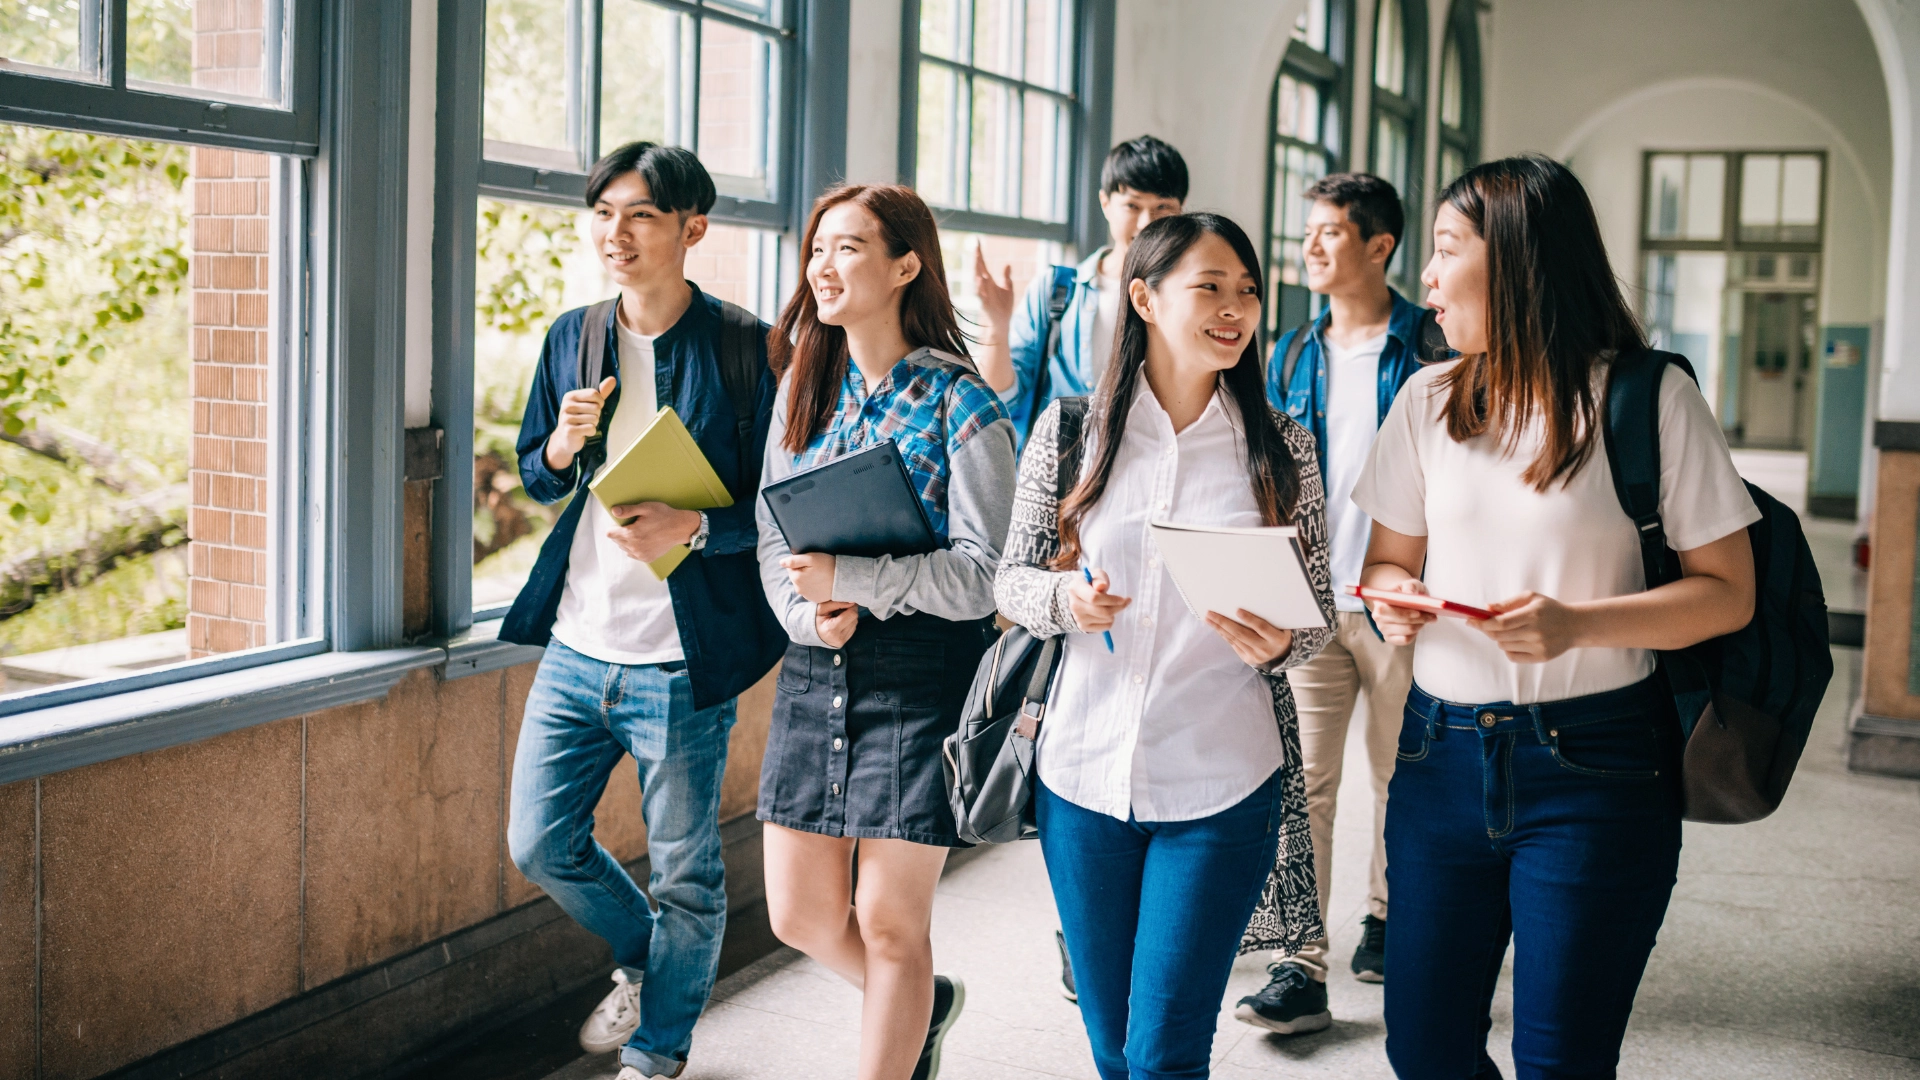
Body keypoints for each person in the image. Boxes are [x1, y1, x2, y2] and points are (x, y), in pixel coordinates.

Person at [1356, 155, 1759, 1078]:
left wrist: (1576, 624)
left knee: (1561, 1060)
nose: (1425, 274)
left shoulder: (1648, 397)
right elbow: (1386, 563)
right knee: (1424, 1049)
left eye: (1447, 248)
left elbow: (1727, 591)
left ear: (1518, 262)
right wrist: (1394, 603)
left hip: (1597, 765)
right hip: (1438, 756)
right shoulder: (1425, 401)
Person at [994, 212, 1334, 1080]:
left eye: (1248, 290)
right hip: (1081, 780)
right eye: (1210, 287)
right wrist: (1067, 599)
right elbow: (1011, 585)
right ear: (1144, 298)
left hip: (1223, 786)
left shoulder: (1283, 450)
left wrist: (1281, 642)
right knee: (1113, 1048)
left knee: (1166, 1054)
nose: (1235, 309)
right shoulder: (1071, 433)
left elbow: (1317, 621)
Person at [500, 142, 785, 1080]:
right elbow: (535, 478)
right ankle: (652, 963)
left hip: (681, 656)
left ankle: (656, 1056)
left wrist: (698, 528)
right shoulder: (571, 336)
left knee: (689, 877)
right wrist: (557, 447)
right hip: (579, 644)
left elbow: (783, 509)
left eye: (641, 216)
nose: (614, 234)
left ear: (691, 229)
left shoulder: (746, 349)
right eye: (604, 212)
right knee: (540, 842)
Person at [754, 183, 1017, 1080]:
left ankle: (896, 1031)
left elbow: (988, 575)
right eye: (817, 250)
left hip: (922, 671)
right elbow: (768, 535)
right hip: (814, 664)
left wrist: (855, 581)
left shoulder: (963, 401)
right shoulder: (802, 387)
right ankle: (924, 1006)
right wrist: (806, 609)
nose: (823, 268)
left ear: (906, 265)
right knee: (799, 917)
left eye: (849, 249)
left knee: (893, 925)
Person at [1235, 173, 1424, 1035]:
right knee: (1302, 784)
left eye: (1329, 233)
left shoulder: (1432, 348)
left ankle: (1391, 917)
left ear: (1379, 246)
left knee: (1402, 778)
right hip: (1309, 603)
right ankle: (1298, 961)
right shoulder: (1289, 352)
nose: (1310, 246)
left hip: (1400, 605)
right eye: (1307, 231)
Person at [973, 135, 1188, 448]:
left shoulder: (1190, 298)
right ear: (1106, 203)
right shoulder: (1057, 291)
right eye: (1132, 205)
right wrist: (996, 325)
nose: (1146, 222)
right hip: (1061, 479)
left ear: (1181, 211)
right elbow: (1004, 398)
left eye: (1162, 207)